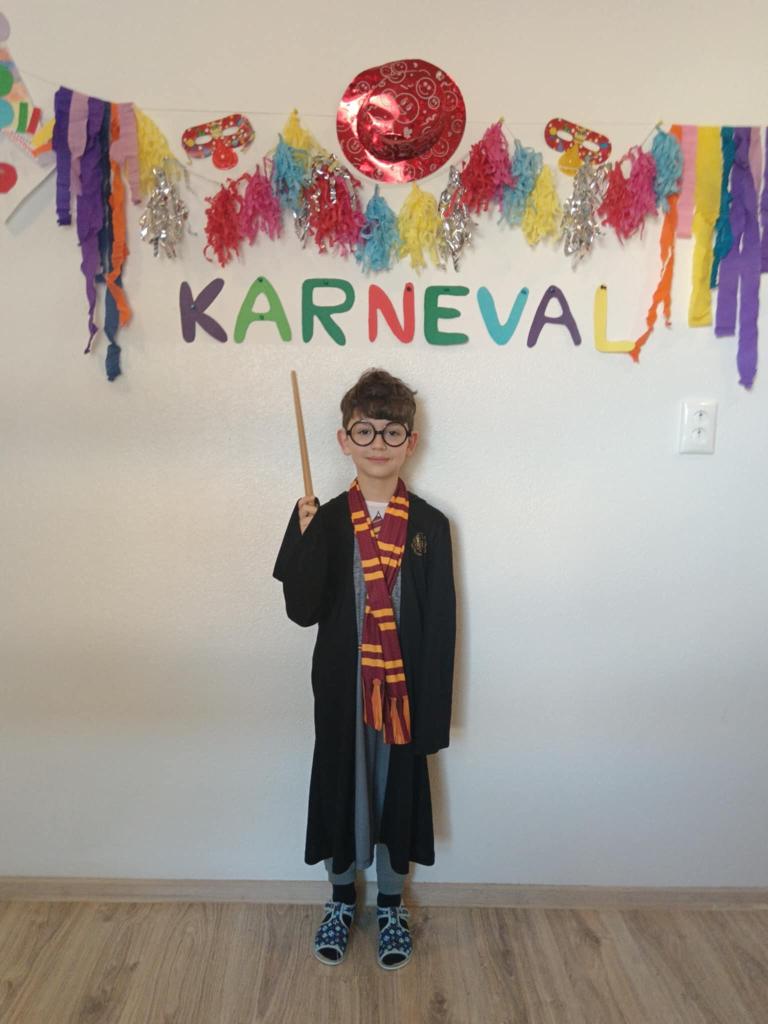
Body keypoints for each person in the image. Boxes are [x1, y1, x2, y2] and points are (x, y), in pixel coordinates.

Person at [273, 367, 456, 970]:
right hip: (342, 690)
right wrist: (302, 538)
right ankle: (341, 898)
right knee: (341, 788)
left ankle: (392, 905)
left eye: (391, 431)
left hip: (404, 694)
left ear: (411, 441)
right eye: (365, 430)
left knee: (397, 791)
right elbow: (301, 611)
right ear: (343, 440)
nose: (378, 443)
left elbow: (443, 626)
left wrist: (432, 718)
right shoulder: (322, 519)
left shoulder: (429, 526)